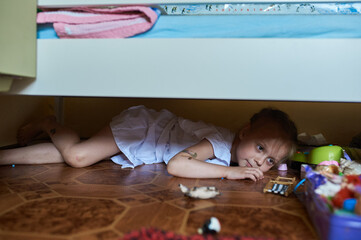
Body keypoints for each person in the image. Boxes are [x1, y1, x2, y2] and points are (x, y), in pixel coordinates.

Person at [0, 105, 297, 181]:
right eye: (261, 148)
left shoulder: (231, 151)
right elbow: (177, 165)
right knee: (78, 157)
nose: (261, 161)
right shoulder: (221, 141)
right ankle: (49, 122)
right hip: (143, 130)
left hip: (146, 142)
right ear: (244, 133)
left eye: (271, 160)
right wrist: (230, 173)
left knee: (75, 155)